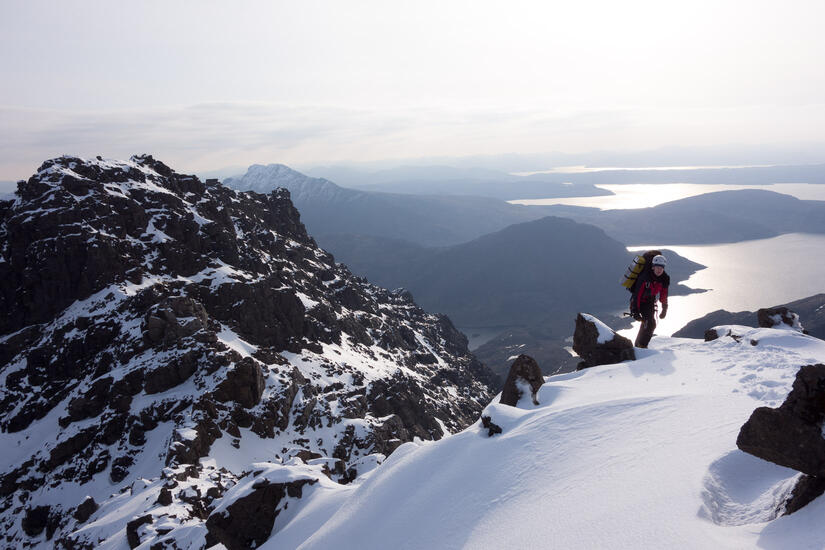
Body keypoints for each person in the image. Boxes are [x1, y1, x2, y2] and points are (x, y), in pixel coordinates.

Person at [631, 254, 670, 348]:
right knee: (651, 324)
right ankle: (642, 346)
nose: (659, 270)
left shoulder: (664, 279)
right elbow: (637, 295)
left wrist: (664, 309)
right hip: (641, 302)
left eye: (662, 267)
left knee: (646, 323)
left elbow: (664, 294)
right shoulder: (645, 278)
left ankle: (638, 345)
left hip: (650, 302)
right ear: (653, 267)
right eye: (657, 267)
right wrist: (635, 310)